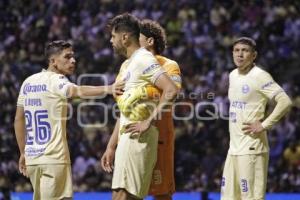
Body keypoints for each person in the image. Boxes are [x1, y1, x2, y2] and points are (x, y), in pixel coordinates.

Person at [14, 40, 124, 200]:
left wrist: (23, 151)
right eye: (67, 57)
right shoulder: (57, 81)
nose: (73, 60)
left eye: (73, 56)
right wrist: (108, 88)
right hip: (53, 158)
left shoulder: (28, 82)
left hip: (33, 159)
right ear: (53, 61)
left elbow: (18, 119)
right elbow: (76, 90)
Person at [101, 13, 178, 200]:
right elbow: (126, 110)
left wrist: (148, 121)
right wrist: (111, 146)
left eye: (113, 36)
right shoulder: (127, 65)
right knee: (126, 194)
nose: (111, 41)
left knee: (123, 195)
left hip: (140, 135)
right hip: (128, 135)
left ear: (125, 37)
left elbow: (171, 90)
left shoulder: (144, 59)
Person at [221, 37, 292, 200]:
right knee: (228, 197)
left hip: (252, 148)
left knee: (251, 197)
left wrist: (264, 124)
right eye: (237, 50)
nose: (240, 54)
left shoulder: (260, 76)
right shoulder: (232, 75)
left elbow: (285, 101)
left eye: (245, 51)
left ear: (254, 56)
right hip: (234, 149)